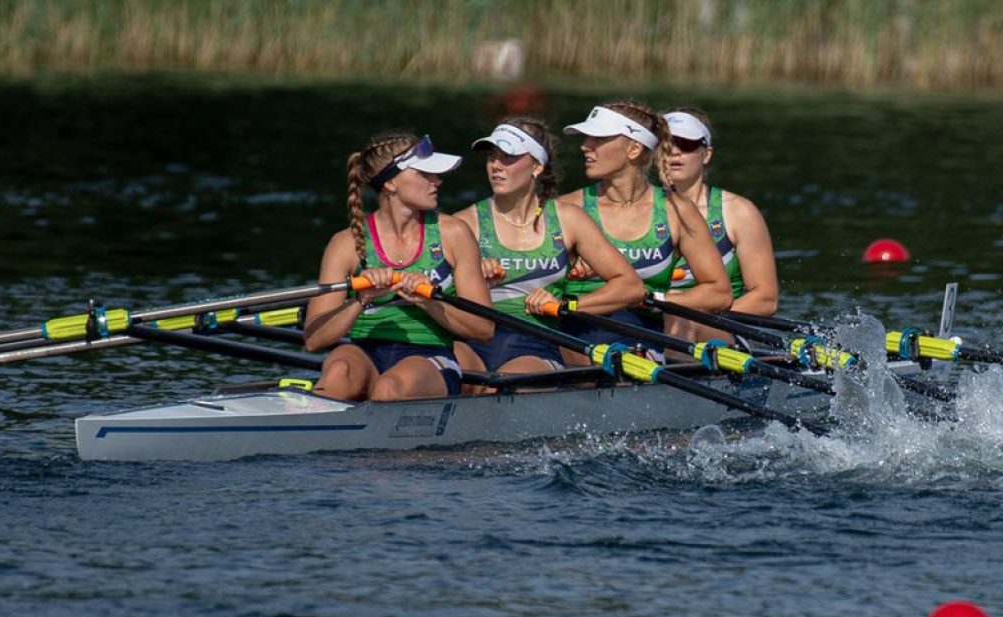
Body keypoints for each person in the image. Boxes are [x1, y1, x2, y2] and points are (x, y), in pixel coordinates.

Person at [302, 132, 494, 401]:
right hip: (364, 351)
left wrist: (426, 301)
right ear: (391, 183)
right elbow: (314, 340)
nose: (436, 181)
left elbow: (484, 328)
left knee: (388, 389)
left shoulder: (453, 234)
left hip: (430, 355)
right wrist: (361, 300)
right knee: (338, 374)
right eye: (425, 174)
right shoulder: (345, 243)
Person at [451, 118, 642, 385]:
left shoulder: (568, 220)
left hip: (535, 342)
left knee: (506, 385)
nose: (495, 165)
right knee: (449, 371)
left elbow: (630, 286)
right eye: (492, 157)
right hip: (472, 343)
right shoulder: (462, 224)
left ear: (537, 166)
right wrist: (471, 279)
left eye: (509, 157)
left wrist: (566, 306)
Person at [552, 100, 731, 362]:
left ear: (634, 149)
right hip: (572, 329)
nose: (585, 146)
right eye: (587, 138)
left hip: (640, 332)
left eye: (598, 139)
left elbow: (719, 292)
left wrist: (653, 298)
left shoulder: (676, 211)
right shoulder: (564, 209)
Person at [660, 107, 779, 325]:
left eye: (686, 144)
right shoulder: (631, 210)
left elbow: (766, 299)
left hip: (718, 328)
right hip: (651, 325)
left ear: (706, 155)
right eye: (666, 145)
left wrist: (698, 320)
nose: (674, 152)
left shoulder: (739, 212)